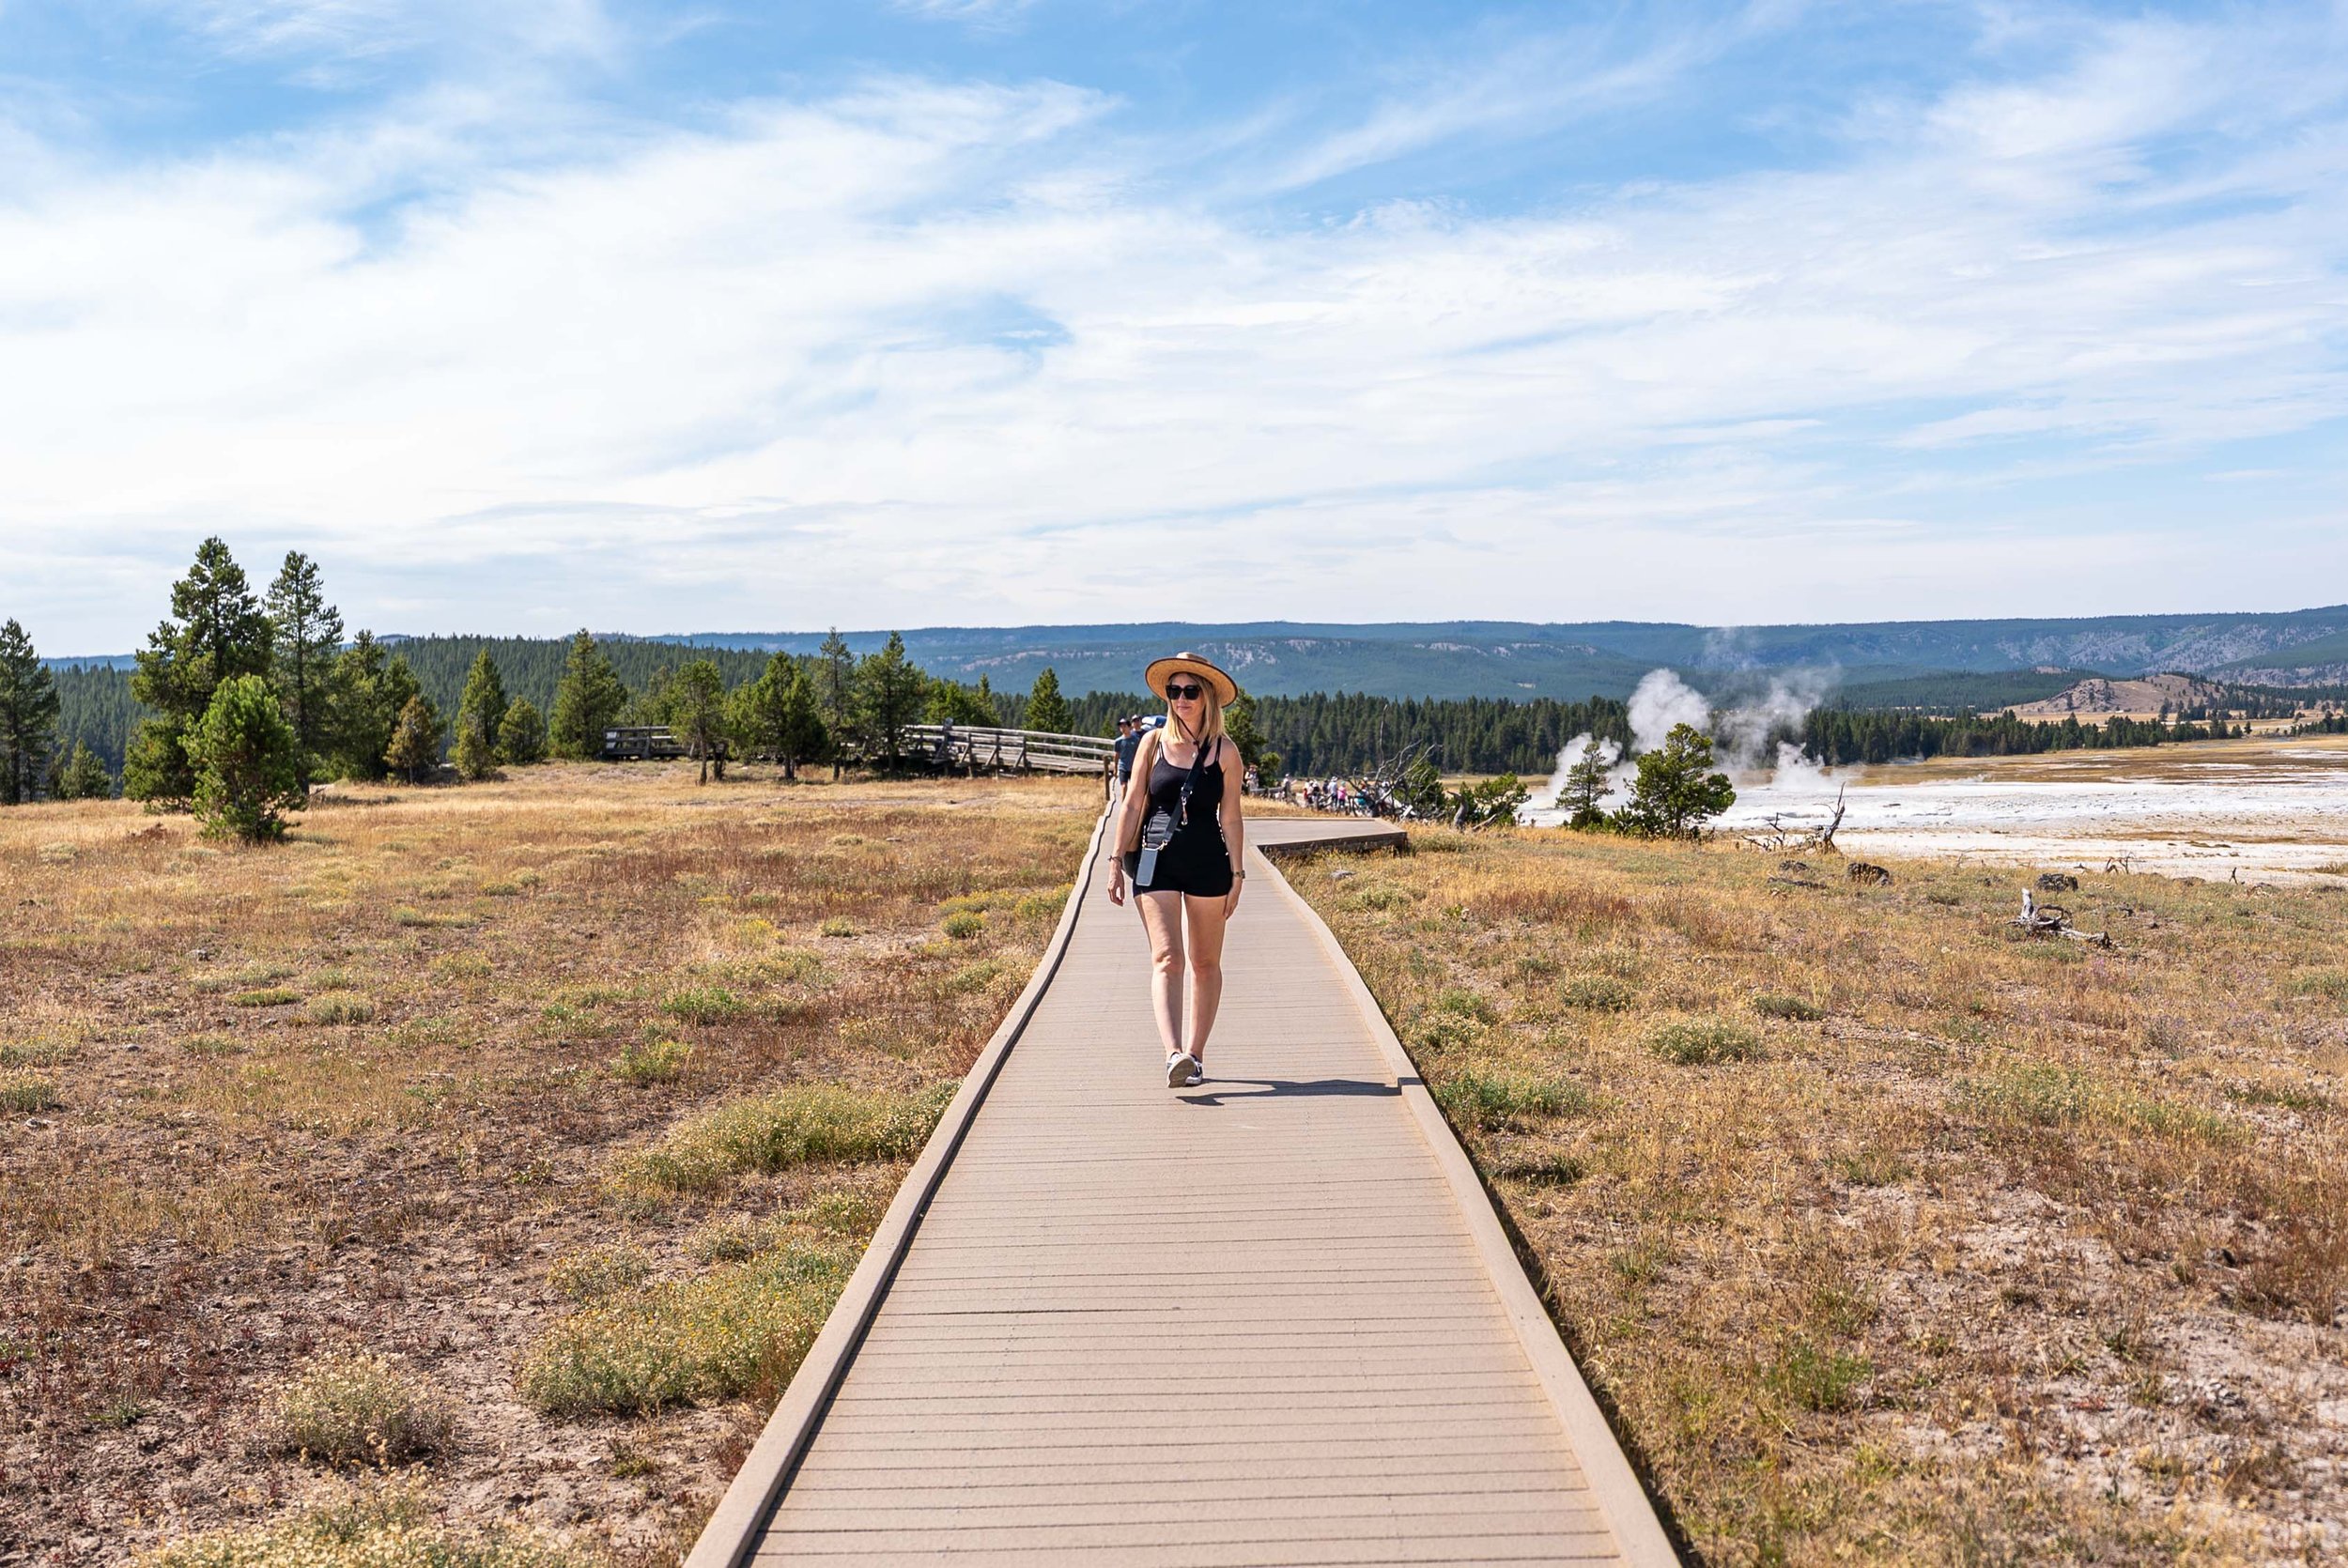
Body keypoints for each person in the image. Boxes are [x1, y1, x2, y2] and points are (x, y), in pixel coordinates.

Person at [1107, 653, 1246, 1088]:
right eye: (1174, 691)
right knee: (1168, 957)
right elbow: (1132, 805)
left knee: (1205, 963)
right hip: (1155, 861)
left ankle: (1195, 1055)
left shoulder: (1225, 752)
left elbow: (1232, 817)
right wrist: (1114, 861)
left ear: (1207, 698)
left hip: (1209, 864)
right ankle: (1172, 1055)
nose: (1181, 699)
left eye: (1190, 691)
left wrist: (1238, 875)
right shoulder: (1151, 744)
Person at [1112, 715, 1144, 799]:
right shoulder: (1118, 741)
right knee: (1124, 786)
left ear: (1129, 727)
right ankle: (1123, 805)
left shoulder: (1136, 740)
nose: (1122, 728)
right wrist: (1115, 768)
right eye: (1121, 726)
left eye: (1124, 726)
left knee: (1134, 787)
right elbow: (1116, 754)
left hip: (1133, 767)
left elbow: (1139, 753)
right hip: (1123, 767)